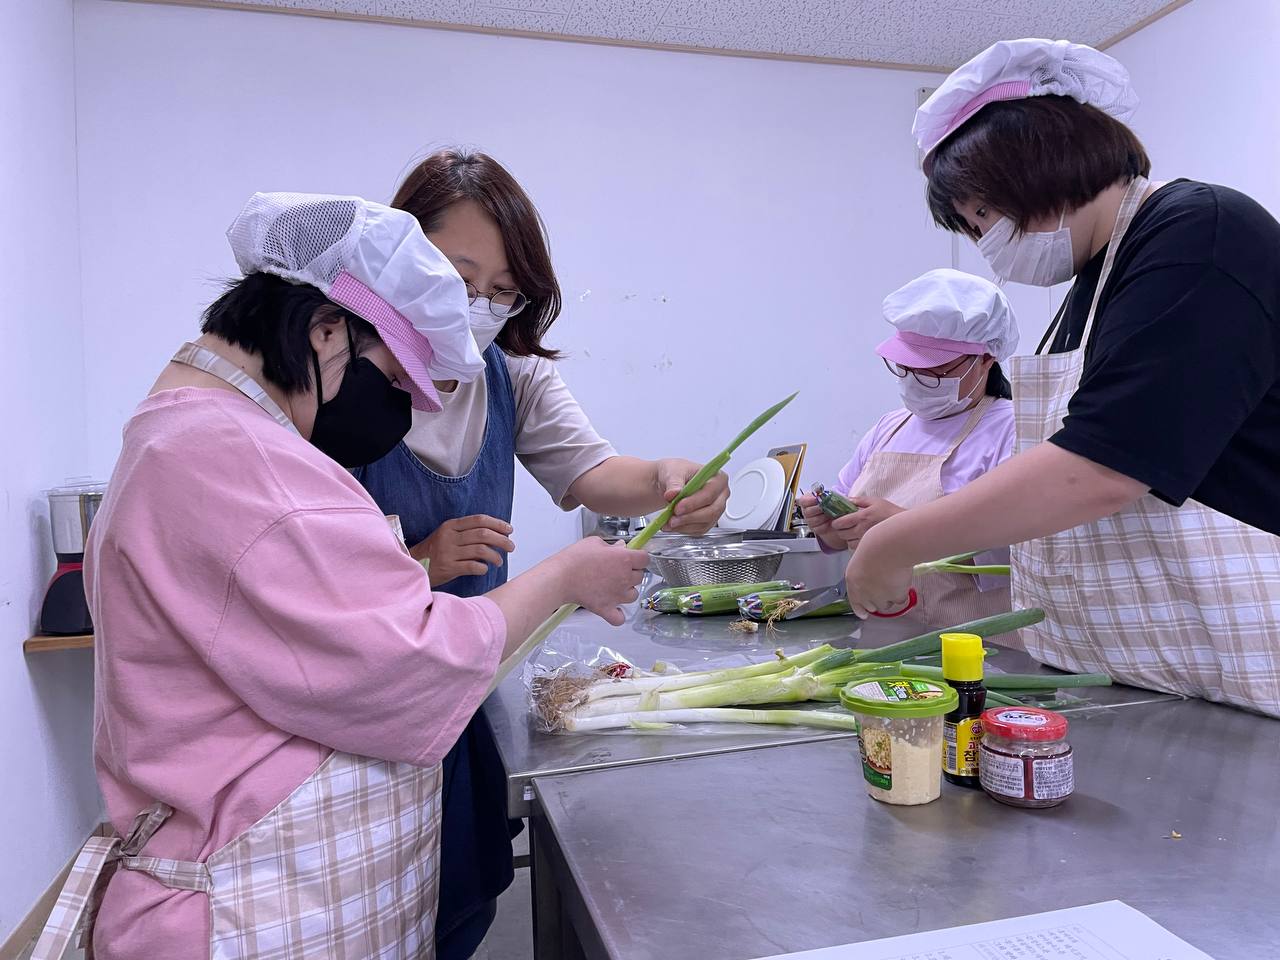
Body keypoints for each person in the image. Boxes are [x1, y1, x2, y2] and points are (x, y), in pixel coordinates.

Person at [32, 193, 648, 960]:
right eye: (393, 380)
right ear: (326, 329)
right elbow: (411, 660)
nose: (393, 413)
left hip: (279, 891)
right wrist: (564, 576)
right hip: (243, 911)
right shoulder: (235, 458)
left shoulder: (191, 432)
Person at [353, 149, 731, 958]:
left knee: (462, 898)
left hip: (470, 685)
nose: (479, 307)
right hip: (372, 700)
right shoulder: (341, 384)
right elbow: (314, 577)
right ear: (396, 258)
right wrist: (417, 562)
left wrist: (667, 478)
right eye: (458, 280)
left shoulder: (509, 375)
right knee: (379, 911)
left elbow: (595, 472)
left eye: (503, 292)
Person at [845, 39, 1280, 717]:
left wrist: (894, 541)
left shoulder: (1201, 235)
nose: (984, 241)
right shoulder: (1091, 286)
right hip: (1132, 677)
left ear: (1041, 164)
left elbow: (1102, 468)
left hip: (1237, 678)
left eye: (981, 215)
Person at [799, 269, 1017, 629]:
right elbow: (845, 536)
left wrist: (906, 531)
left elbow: (1016, 557)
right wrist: (829, 527)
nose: (914, 378)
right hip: (885, 638)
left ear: (985, 359)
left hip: (975, 646)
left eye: (933, 368)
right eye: (904, 366)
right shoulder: (890, 427)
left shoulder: (1013, 428)